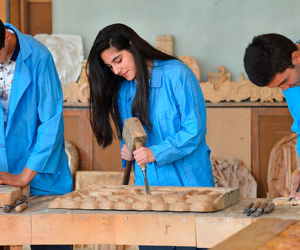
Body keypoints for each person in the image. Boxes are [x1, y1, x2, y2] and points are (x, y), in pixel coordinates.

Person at [87, 23, 214, 250]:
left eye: (118, 60)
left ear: (133, 47)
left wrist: (155, 152)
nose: (116, 71)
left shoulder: (177, 74)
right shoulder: (125, 89)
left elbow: (194, 131)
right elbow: (132, 134)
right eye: (109, 66)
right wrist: (127, 150)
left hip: (190, 186)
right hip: (150, 192)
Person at [0, 20, 73, 250]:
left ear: (7, 37)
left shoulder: (39, 56)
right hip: (3, 174)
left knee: (51, 242)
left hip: (40, 173)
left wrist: (24, 176)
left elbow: (51, 122)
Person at [244, 33, 300, 199]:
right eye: (279, 86)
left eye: (285, 81)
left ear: (296, 57)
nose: (285, 88)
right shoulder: (292, 81)